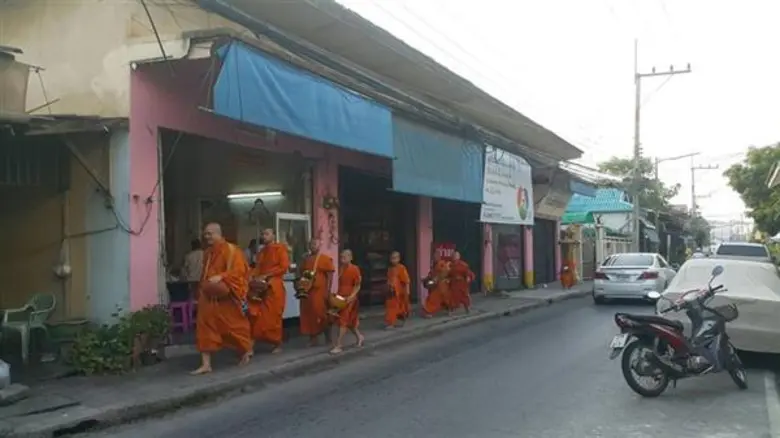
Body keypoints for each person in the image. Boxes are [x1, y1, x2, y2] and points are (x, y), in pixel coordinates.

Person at [191, 223, 253, 375]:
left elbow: (240, 271)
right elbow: (205, 273)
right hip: (208, 294)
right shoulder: (207, 253)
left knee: (233, 326)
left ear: (218, 233)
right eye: (205, 234)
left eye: (209, 234)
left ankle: (245, 350)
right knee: (204, 326)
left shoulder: (232, 250)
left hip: (226, 294)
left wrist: (222, 276)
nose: (206, 237)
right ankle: (206, 364)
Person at [249, 228, 290, 354]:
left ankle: (277, 343)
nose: (264, 236)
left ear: (273, 235)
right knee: (256, 315)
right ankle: (250, 345)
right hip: (260, 289)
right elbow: (257, 268)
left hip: (274, 287)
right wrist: (251, 275)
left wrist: (267, 275)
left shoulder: (280, 248)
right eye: (262, 233)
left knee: (273, 317)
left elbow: (284, 267)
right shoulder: (261, 252)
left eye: (267, 234)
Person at [299, 238, 335, 346]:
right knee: (308, 314)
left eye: (315, 244)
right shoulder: (306, 259)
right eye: (311, 244)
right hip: (307, 291)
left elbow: (330, 275)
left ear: (319, 246)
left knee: (321, 313)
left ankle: (328, 336)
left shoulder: (324, 259)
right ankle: (313, 338)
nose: (312, 246)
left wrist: (328, 290)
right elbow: (300, 273)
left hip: (319, 291)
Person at [330, 249, 365, 354]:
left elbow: (358, 285)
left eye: (344, 257)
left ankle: (339, 345)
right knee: (348, 322)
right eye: (341, 257)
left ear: (350, 257)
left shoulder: (354, 269)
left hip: (350, 298)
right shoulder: (341, 269)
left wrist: (351, 296)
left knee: (343, 321)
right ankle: (359, 337)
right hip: (341, 297)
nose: (342, 259)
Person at [385, 251, 411, 328]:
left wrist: (407, 291)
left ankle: (392, 323)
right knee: (390, 306)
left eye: (395, 258)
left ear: (399, 259)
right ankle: (392, 322)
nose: (393, 260)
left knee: (397, 306)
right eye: (392, 258)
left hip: (399, 292)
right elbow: (389, 279)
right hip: (391, 291)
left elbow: (406, 281)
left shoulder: (401, 268)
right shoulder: (390, 269)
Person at [423, 252, 452, 317]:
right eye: (434, 256)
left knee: (443, 299)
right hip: (435, 284)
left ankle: (449, 309)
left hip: (442, 284)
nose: (435, 257)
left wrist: (438, 278)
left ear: (439, 256)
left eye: (436, 256)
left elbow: (445, 272)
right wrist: (428, 278)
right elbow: (431, 274)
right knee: (433, 298)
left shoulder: (442, 264)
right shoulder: (434, 265)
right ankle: (429, 312)